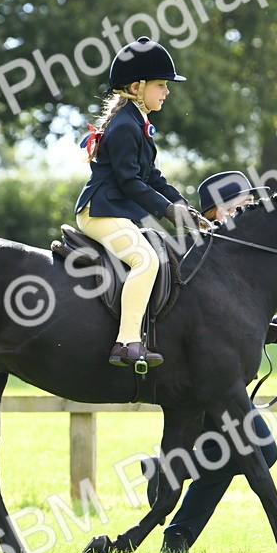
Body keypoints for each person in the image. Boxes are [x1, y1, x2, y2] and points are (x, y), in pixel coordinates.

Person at [144, 171, 277, 553]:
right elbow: (213, 324)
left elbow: (237, 323)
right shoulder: (200, 253)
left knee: (246, 455)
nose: (250, 209)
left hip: (218, 378)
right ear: (215, 211)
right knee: (261, 452)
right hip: (202, 380)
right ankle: (171, 483)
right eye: (241, 204)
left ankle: (177, 529)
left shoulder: (236, 254)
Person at [74, 37, 208, 368]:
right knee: (145, 260)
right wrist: (166, 211)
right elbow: (129, 182)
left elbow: (152, 176)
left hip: (114, 211)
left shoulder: (136, 121)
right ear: (137, 86)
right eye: (161, 85)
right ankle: (127, 343)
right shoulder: (124, 125)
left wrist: (182, 206)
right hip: (100, 212)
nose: (167, 91)